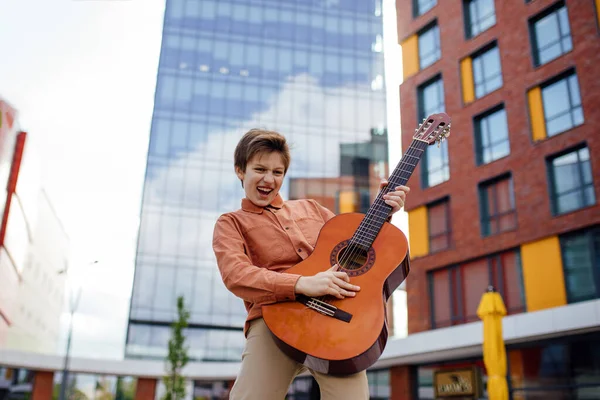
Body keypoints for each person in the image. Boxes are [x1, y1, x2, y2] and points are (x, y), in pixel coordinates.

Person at [212, 129, 410, 400]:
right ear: (240, 170)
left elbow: (356, 248)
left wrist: (384, 212)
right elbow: (236, 275)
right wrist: (302, 283)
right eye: (260, 169)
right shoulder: (230, 223)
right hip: (273, 321)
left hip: (337, 322)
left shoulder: (314, 209)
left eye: (277, 172)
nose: (269, 180)